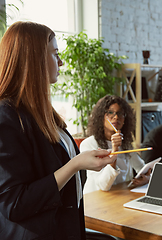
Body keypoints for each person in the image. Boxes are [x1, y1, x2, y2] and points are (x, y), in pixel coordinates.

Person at [0, 22, 115, 240]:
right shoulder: (7, 117)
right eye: (55, 54)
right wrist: (76, 164)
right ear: (33, 59)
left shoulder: (45, 114)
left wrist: (85, 162)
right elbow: (14, 204)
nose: (61, 61)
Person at [80, 95, 150, 193]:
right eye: (110, 112)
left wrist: (146, 177)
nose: (116, 117)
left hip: (120, 195)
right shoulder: (89, 144)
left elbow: (141, 168)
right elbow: (104, 185)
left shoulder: (125, 143)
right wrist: (115, 150)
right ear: (101, 117)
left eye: (120, 113)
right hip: (96, 199)